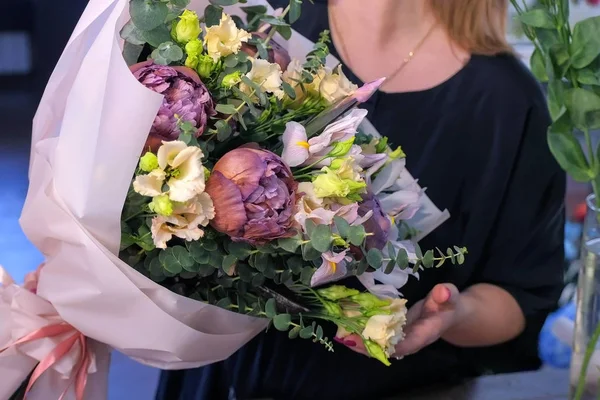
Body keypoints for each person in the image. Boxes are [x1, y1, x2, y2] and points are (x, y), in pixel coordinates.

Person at [156, 0, 566, 399]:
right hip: (214, 382)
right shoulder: (252, 26)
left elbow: (520, 296)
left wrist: (454, 315)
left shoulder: (508, 105)